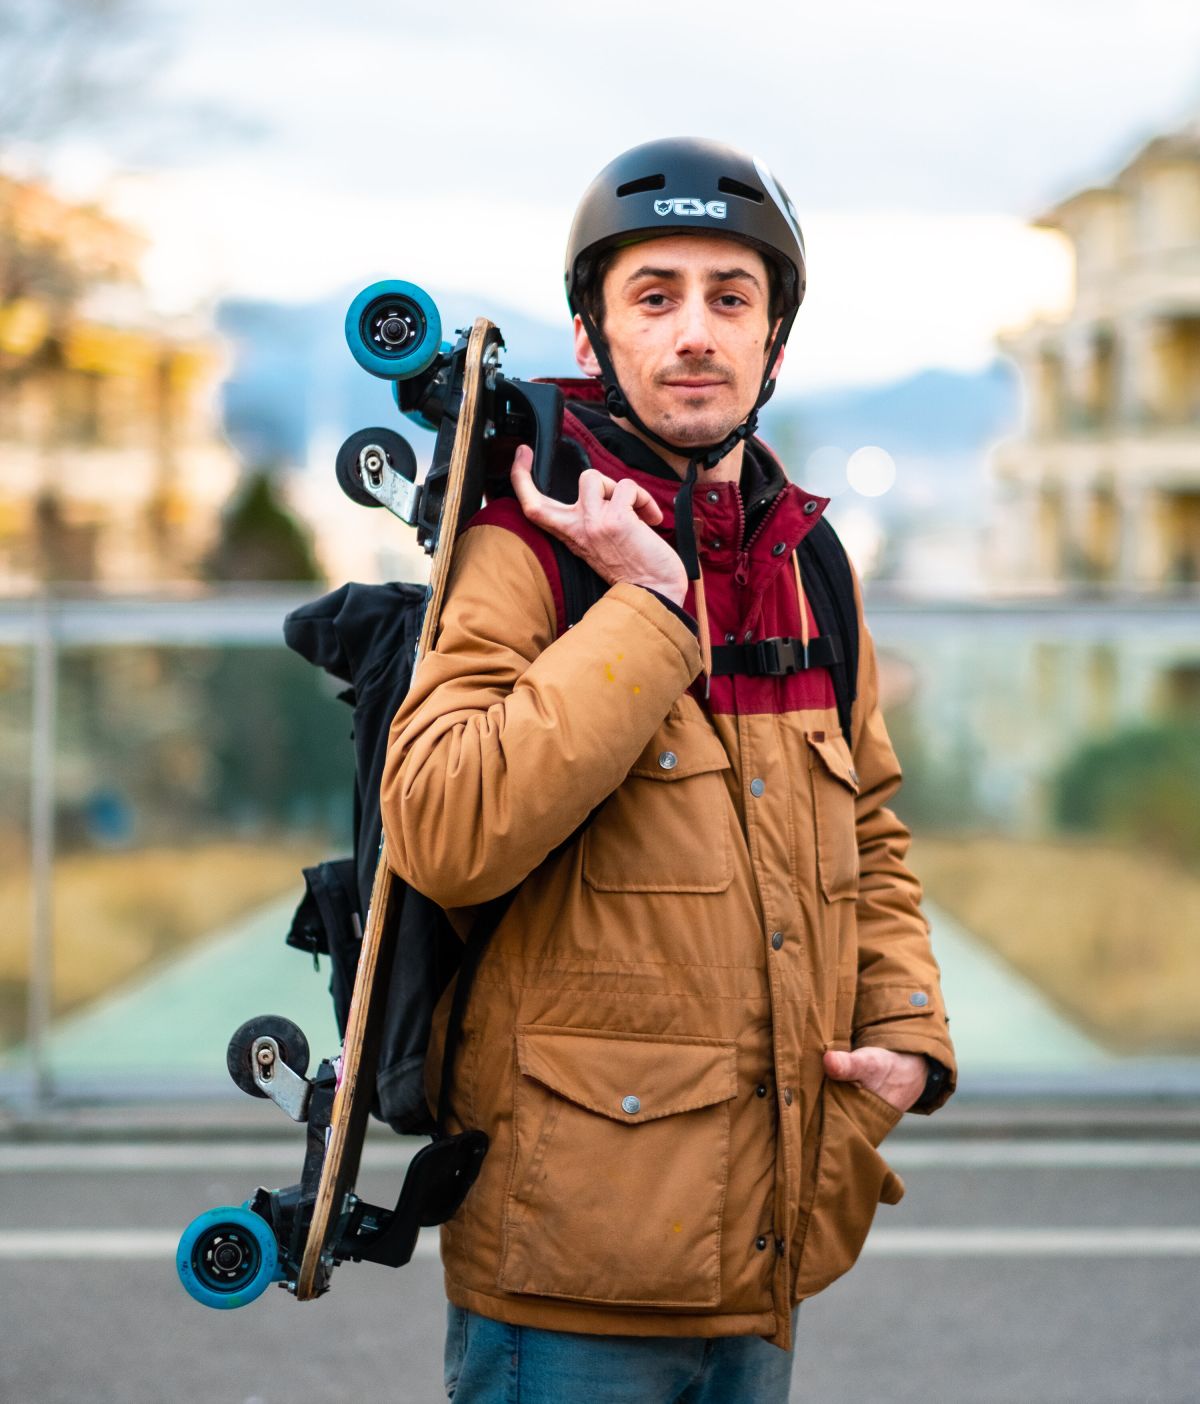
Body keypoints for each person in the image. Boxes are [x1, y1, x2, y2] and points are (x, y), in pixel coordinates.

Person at [380, 137, 956, 1403]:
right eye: (656, 296)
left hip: (769, 1240)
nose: (695, 330)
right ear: (594, 337)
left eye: (730, 297)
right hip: (565, 1268)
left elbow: (868, 828)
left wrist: (907, 1029)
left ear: (775, 343)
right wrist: (644, 608)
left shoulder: (811, 562)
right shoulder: (522, 543)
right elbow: (443, 825)